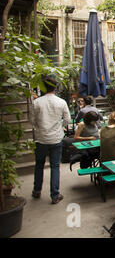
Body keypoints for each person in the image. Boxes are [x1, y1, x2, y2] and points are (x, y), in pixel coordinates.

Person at [30, 76, 71, 204]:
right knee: (55, 166)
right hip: (56, 138)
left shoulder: (36, 102)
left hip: (41, 138)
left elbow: (32, 120)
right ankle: (54, 195)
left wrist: (39, 129)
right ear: (55, 87)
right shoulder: (61, 102)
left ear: (43, 87)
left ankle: (37, 190)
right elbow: (67, 120)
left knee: (39, 165)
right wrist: (59, 126)